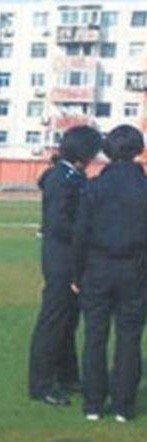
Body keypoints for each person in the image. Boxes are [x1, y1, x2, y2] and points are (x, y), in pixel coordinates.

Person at [72, 125, 147, 421]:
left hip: (98, 267)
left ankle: (93, 403)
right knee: (129, 338)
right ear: (138, 150)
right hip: (136, 268)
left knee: (95, 336)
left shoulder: (94, 186)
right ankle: (123, 405)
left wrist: (76, 274)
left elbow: (80, 234)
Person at [28, 125, 102, 406]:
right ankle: (41, 383)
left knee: (69, 320)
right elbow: (59, 224)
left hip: (71, 257)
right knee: (54, 320)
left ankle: (67, 375)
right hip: (62, 258)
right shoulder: (61, 179)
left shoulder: (71, 176)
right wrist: (90, 234)